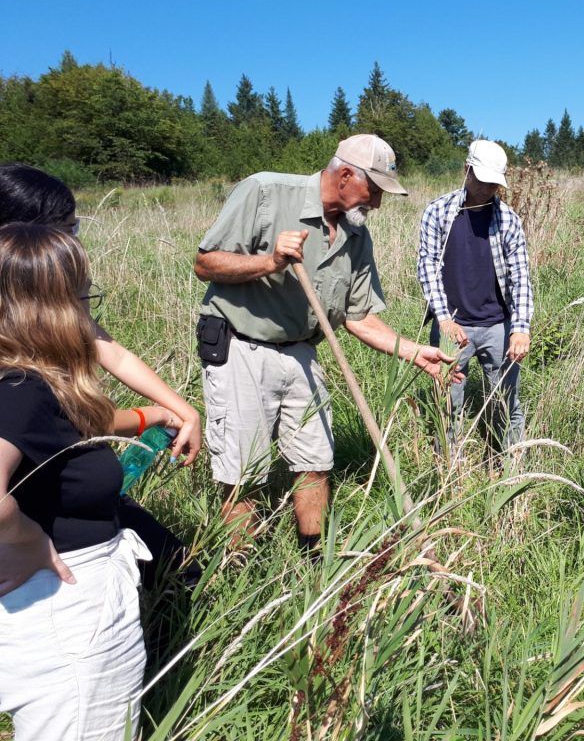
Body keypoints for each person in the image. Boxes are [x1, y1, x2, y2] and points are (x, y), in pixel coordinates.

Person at [194, 134, 458, 552]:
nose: (376, 204)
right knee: (243, 470)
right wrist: (270, 262)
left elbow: (358, 317)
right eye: (373, 191)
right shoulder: (265, 191)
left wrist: (412, 351)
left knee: (315, 462)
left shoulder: (356, 237)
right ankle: (236, 568)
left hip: (302, 351)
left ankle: (314, 561)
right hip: (241, 346)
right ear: (346, 175)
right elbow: (205, 263)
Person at [0, 163, 201, 591]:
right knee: (175, 577)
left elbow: (107, 347)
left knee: (176, 572)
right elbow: (67, 421)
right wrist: (150, 416)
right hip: (33, 505)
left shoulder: (42, 303)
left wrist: (181, 411)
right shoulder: (19, 376)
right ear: (29, 242)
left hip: (65, 484)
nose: (78, 241)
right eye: (69, 230)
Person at [0, 224, 150, 740]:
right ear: (56, 308)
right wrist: (26, 541)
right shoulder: (24, 391)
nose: (90, 312)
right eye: (84, 295)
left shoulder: (28, 383)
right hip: (67, 617)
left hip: (54, 611)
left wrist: (157, 415)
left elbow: (85, 422)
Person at [417, 139, 533, 457]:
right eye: (482, 181)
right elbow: (427, 268)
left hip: (498, 325)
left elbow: (521, 276)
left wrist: (521, 327)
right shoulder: (438, 213)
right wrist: (444, 320)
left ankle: (513, 472)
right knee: (448, 404)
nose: (487, 189)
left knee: (507, 402)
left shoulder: (508, 220)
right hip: (452, 326)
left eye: (494, 183)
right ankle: (447, 474)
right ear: (466, 171)